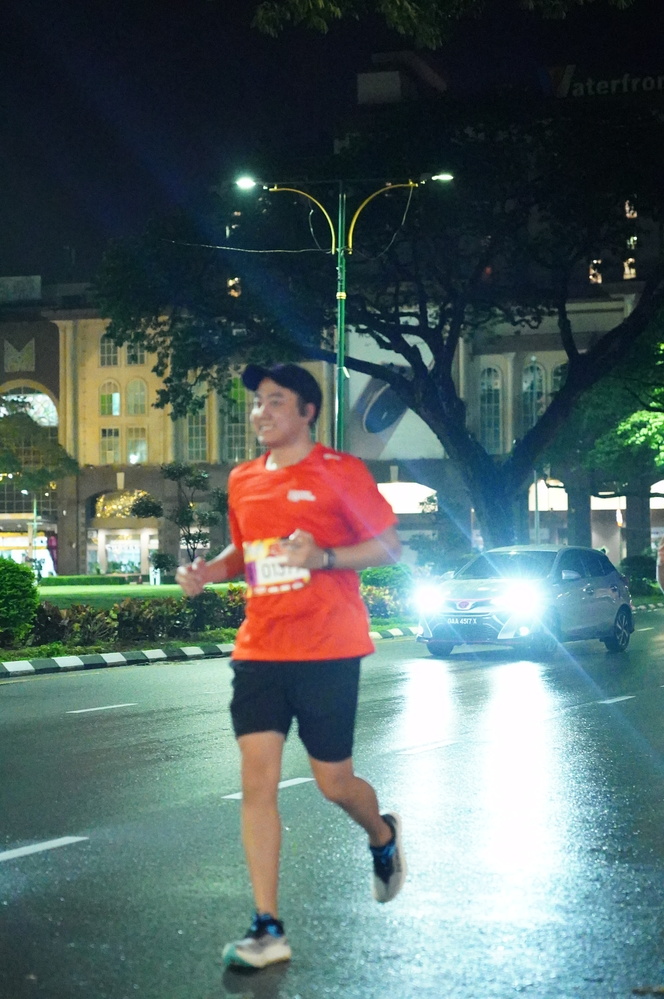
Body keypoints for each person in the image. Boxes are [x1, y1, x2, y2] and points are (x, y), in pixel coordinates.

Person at [176, 362, 406, 970]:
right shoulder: (244, 479)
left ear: (308, 412)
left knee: (334, 784)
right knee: (257, 783)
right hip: (260, 649)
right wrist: (208, 571)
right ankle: (267, 927)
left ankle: (382, 835)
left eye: (275, 401)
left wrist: (323, 556)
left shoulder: (341, 472)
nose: (261, 412)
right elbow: (245, 552)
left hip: (328, 648)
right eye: (257, 402)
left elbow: (389, 546)